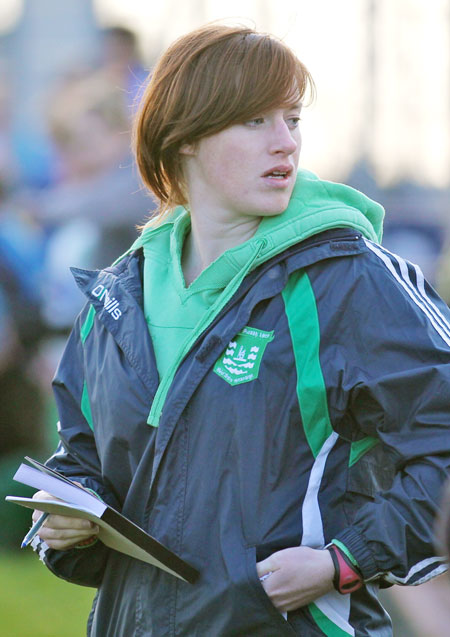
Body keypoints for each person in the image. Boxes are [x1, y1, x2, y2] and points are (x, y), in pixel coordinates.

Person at [29, 24, 450, 636]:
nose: (285, 143)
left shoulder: (348, 278)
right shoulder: (118, 293)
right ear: (185, 138)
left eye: (292, 118)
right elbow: (84, 458)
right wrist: (66, 518)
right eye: (254, 122)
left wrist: (345, 562)